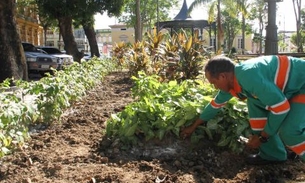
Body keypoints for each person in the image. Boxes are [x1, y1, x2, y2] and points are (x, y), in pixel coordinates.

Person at [180, 55, 305, 165]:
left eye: (214, 82)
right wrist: (193, 126)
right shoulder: (233, 82)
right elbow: (214, 105)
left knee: (290, 131)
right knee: (255, 107)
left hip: (302, 86)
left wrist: (262, 138)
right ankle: (273, 155)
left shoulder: (248, 76)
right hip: (291, 88)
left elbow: (281, 107)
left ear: (223, 76)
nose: (215, 87)